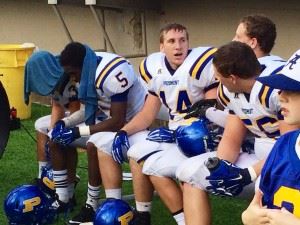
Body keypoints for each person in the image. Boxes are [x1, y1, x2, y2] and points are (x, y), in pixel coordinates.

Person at [176, 41, 297, 225]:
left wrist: (247, 174)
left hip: (276, 155)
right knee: (194, 174)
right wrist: (222, 168)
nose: (282, 96)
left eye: (291, 90)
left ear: (232, 77)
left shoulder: (271, 91)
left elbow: (286, 150)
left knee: (267, 192)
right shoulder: (229, 91)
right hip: (262, 153)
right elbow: (232, 136)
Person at [112, 23, 219, 225]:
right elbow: (147, 113)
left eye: (182, 40)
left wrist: (180, 131)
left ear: (188, 43)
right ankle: (144, 215)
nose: (178, 46)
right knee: (137, 153)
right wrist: (123, 132)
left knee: (160, 166)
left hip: (201, 136)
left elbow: (210, 112)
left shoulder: (200, 65)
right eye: (171, 41)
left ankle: (185, 220)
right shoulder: (155, 68)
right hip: (174, 132)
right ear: (162, 47)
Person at [51, 42, 147, 225]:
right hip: (108, 122)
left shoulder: (111, 73)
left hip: (135, 124)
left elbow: (118, 120)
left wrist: (78, 130)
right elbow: (89, 110)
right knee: (55, 139)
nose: (72, 78)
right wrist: (64, 123)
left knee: (93, 143)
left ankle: (92, 205)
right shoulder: (87, 71)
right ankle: (63, 198)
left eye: (73, 72)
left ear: (82, 66)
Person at [241, 50, 300, 225]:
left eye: (292, 89)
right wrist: (249, 217)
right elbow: (261, 205)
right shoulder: (283, 145)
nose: (280, 96)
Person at [24, 50, 80, 204]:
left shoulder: (69, 75)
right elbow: (57, 105)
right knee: (42, 125)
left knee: (62, 137)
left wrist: (59, 130)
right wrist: (52, 132)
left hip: (92, 115)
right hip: (76, 112)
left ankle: (69, 186)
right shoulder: (57, 74)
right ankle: (43, 176)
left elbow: (77, 111)